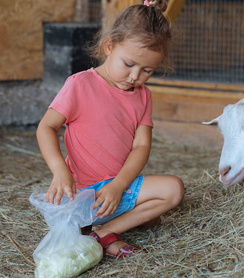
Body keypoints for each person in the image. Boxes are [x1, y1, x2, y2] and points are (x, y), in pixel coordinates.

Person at [36, 0, 184, 258]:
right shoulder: (79, 85)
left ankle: (105, 233)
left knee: (174, 190)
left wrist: (118, 186)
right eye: (128, 64)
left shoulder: (143, 96)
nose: (135, 76)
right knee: (68, 235)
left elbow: (141, 146)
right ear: (109, 46)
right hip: (81, 194)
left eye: (147, 70)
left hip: (120, 188)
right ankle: (113, 227)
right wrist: (60, 171)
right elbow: (46, 127)